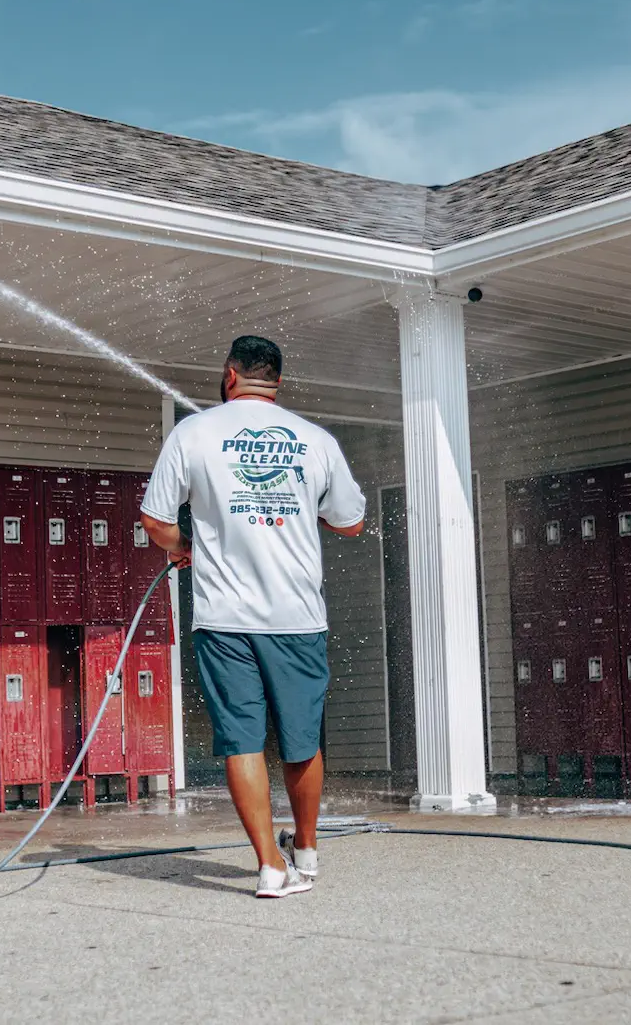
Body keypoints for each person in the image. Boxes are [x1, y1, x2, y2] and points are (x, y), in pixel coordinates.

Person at [140, 335, 365, 898]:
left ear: (230, 374)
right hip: (297, 618)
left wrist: (181, 545)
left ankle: (270, 866)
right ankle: (306, 851)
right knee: (301, 740)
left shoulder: (193, 432)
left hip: (224, 619)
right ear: (279, 383)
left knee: (242, 741)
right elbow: (352, 522)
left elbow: (155, 520)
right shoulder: (315, 440)